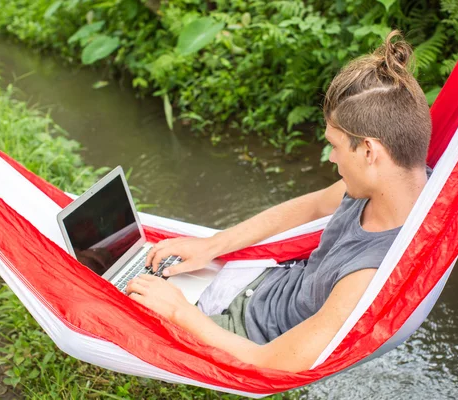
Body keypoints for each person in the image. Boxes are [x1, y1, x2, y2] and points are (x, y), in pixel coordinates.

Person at [126, 30, 432, 373]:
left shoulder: (370, 276)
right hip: (268, 281)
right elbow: (312, 207)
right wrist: (213, 245)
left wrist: (179, 311)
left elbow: (270, 362)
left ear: (369, 151)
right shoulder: (403, 184)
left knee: (119, 308)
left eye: (334, 145)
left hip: (247, 337)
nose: (330, 158)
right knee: (152, 264)